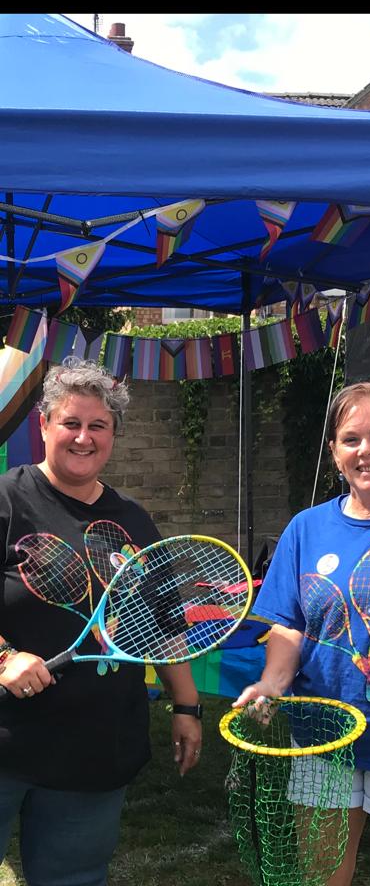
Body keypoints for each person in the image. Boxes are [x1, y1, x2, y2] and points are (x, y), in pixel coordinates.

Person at [0, 358, 202, 886]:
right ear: (43, 426)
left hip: (94, 750)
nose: (83, 437)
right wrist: (4, 656)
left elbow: (163, 623)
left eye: (98, 426)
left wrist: (186, 706)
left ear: (113, 436)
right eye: (71, 422)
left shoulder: (134, 520)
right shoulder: (7, 498)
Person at [235, 381, 370, 886]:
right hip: (322, 734)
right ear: (334, 452)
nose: (366, 450)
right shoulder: (305, 528)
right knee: (324, 875)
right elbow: (290, 626)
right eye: (351, 438)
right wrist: (271, 682)